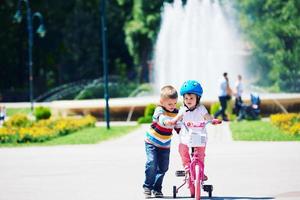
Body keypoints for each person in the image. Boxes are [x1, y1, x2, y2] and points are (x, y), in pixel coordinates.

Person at [171, 80, 220, 182]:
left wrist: (212, 120)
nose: (188, 100)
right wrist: (174, 121)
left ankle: (200, 170)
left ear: (198, 98)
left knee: (200, 154)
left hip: (199, 134)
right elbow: (178, 117)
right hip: (186, 135)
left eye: (191, 98)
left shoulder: (201, 108)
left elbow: (207, 116)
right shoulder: (183, 109)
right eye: (186, 98)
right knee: (182, 149)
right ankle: (187, 167)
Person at [143, 85, 180, 198]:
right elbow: (161, 118)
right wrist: (168, 122)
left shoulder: (176, 112)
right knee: (152, 162)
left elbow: (178, 126)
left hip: (165, 145)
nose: (172, 106)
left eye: (175, 103)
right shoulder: (159, 110)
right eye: (170, 104)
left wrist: (183, 130)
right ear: (162, 102)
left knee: (163, 168)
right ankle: (147, 186)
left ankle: (157, 188)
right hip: (152, 142)